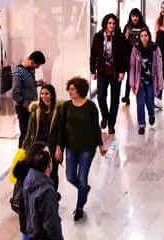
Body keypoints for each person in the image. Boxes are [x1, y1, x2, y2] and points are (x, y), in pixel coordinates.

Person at [50, 76, 105, 222]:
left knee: (82, 178)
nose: (70, 91)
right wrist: (58, 147)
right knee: (70, 177)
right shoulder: (66, 106)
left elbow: (96, 127)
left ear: (80, 90)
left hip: (87, 147)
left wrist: (101, 145)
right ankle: (84, 189)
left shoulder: (91, 107)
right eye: (69, 88)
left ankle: (79, 207)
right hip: (71, 147)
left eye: (73, 89)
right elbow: (61, 128)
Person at [12, 143, 62, 240]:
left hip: (29, 229)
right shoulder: (45, 189)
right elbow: (52, 225)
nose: (49, 157)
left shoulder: (29, 177)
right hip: (36, 231)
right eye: (46, 154)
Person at [89, 14, 129, 134]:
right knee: (101, 96)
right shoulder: (98, 37)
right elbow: (93, 55)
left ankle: (111, 124)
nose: (111, 25)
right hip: (102, 71)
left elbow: (124, 56)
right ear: (105, 24)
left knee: (115, 100)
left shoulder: (120, 38)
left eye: (113, 23)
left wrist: (122, 71)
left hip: (116, 72)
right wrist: (92, 70)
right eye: (109, 23)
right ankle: (105, 116)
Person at [128, 28, 164, 134]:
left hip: (151, 80)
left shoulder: (155, 49)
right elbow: (132, 66)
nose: (144, 38)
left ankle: (151, 114)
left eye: (146, 35)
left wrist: (160, 82)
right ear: (139, 37)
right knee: (140, 103)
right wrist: (132, 82)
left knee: (149, 100)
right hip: (140, 81)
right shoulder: (136, 49)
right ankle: (142, 124)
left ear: (149, 36)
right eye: (142, 36)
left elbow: (159, 67)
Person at [23, 83, 61, 171]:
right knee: (37, 171)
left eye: (46, 93)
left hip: (51, 147)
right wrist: (24, 147)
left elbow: (59, 132)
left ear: (52, 95)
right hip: (37, 146)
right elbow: (29, 132)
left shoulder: (58, 112)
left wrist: (59, 148)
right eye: (42, 93)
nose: (43, 96)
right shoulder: (35, 110)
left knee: (52, 172)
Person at [14, 50, 47, 144]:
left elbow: (26, 85)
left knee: (32, 132)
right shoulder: (18, 72)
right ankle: (21, 156)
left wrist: (37, 83)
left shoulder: (30, 70)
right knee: (25, 133)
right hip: (24, 109)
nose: (38, 67)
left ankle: (30, 155)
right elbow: (15, 93)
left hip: (31, 107)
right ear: (32, 62)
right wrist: (25, 105)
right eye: (38, 65)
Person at [121, 8, 148, 105]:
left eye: (136, 16)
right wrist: (126, 36)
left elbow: (148, 40)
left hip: (141, 55)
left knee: (141, 76)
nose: (135, 18)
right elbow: (123, 42)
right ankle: (127, 96)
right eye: (133, 16)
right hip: (130, 55)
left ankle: (143, 95)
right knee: (130, 75)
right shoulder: (127, 27)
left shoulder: (144, 27)